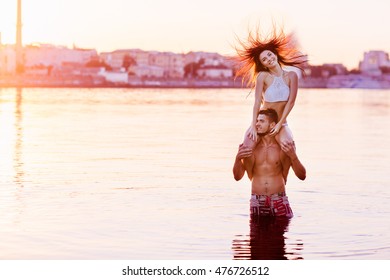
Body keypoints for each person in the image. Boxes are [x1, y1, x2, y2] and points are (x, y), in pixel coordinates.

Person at [234, 26, 307, 150]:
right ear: (263, 64)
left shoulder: (292, 76)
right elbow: (257, 102)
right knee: (246, 147)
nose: (269, 59)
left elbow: (291, 102)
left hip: (281, 122)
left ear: (275, 54)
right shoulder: (262, 76)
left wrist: (279, 125)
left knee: (288, 145)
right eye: (264, 59)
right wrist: (253, 125)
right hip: (262, 122)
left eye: (269, 55)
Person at [233, 109, 306, 218]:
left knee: (281, 234)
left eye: (261, 121)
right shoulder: (252, 149)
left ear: (272, 125)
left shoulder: (282, 148)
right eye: (257, 121)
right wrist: (237, 159)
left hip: (279, 199)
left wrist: (293, 156)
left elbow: (302, 176)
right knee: (255, 235)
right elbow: (237, 177)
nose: (257, 124)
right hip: (257, 201)